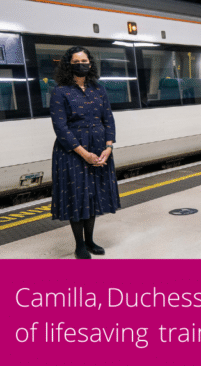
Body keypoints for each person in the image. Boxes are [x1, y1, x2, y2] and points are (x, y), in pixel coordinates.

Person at [49, 46, 120, 259]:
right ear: (68, 64)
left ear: (90, 63)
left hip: (99, 147)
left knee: (93, 195)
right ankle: (79, 244)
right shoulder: (60, 91)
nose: (82, 63)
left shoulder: (99, 89)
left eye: (85, 60)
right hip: (72, 151)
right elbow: (60, 128)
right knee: (77, 197)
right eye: (77, 60)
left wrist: (108, 146)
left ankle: (90, 240)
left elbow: (108, 118)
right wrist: (84, 153)